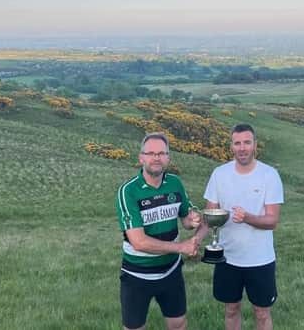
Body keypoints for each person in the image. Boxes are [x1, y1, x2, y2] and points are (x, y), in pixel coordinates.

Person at [200, 123, 284, 330]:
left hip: (260, 259)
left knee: (262, 313)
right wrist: (195, 238)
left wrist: (247, 217)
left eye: (247, 142)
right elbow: (209, 215)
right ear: (231, 146)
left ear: (255, 145)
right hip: (227, 257)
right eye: (237, 143)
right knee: (231, 309)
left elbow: (272, 221)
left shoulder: (269, 175)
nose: (242, 148)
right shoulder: (219, 174)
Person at [115, 132, 202, 330]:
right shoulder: (128, 191)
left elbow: (186, 219)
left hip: (171, 270)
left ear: (168, 158)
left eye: (162, 153)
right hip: (137, 274)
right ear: (141, 157)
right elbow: (139, 242)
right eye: (151, 153)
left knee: (178, 324)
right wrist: (181, 247)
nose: (156, 158)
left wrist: (192, 219)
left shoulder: (175, 183)